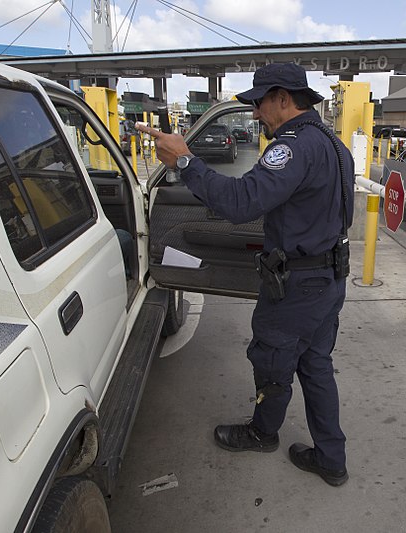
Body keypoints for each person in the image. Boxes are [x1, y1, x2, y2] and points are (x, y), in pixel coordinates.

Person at [138, 62, 353, 487]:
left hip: (297, 288)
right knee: (316, 366)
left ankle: (262, 433)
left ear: (282, 99)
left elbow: (240, 204)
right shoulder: (333, 144)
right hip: (329, 279)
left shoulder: (291, 147)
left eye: (258, 103)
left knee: (272, 361)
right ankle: (331, 458)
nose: (255, 113)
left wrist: (185, 160)